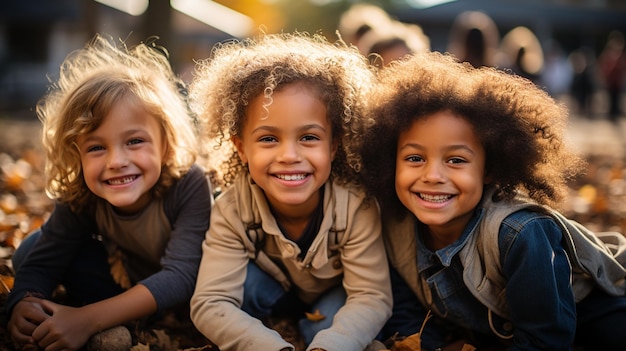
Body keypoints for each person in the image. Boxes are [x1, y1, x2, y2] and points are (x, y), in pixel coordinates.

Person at [360, 51, 626, 350]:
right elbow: (409, 317)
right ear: (389, 160)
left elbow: (544, 341)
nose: (433, 175)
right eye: (414, 157)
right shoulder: (394, 227)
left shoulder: (520, 234)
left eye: (456, 160)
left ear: (488, 169)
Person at [4, 34, 213, 351]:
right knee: (30, 250)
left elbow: (182, 275)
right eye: (97, 147)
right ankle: (121, 315)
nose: (116, 162)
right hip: (124, 279)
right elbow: (44, 260)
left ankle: (113, 318)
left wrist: (88, 319)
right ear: (77, 154)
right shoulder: (83, 193)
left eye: (134, 142)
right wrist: (24, 302)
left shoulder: (189, 184)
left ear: (166, 144)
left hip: (195, 291)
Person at [189, 32, 392, 351]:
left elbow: (371, 296)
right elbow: (210, 302)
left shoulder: (355, 205)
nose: (289, 156)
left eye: (309, 138)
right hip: (271, 290)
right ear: (240, 148)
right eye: (269, 139)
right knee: (245, 289)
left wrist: (333, 343)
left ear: (334, 144)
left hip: (333, 294)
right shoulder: (233, 208)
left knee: (339, 322)